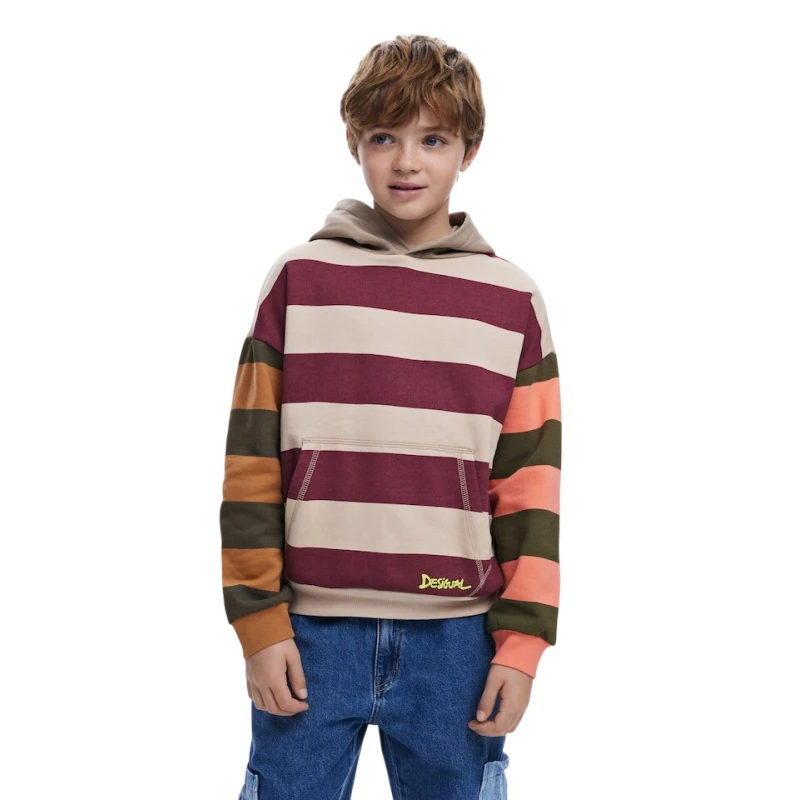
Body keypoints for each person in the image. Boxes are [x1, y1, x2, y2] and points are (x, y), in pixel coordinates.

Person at [219, 33, 562, 800]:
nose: (407, 162)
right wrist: (259, 622)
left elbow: (532, 485)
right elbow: (250, 464)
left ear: (469, 149)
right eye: (384, 137)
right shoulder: (300, 279)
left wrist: (521, 645)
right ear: (355, 143)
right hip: (310, 634)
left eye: (432, 139)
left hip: (458, 641)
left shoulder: (511, 299)